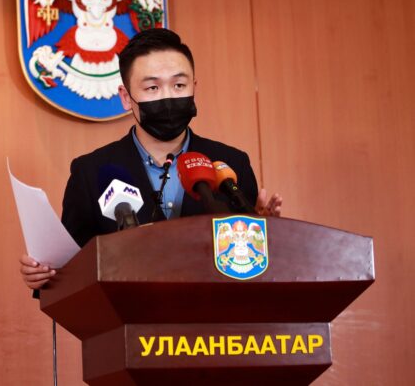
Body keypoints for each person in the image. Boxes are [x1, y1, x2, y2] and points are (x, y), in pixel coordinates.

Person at [20, 28, 282, 290]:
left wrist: (264, 231)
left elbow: (255, 271)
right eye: (153, 87)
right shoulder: (90, 172)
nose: (168, 97)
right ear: (126, 98)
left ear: (194, 88)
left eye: (179, 85)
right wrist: (45, 275)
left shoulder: (230, 163)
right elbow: (70, 270)